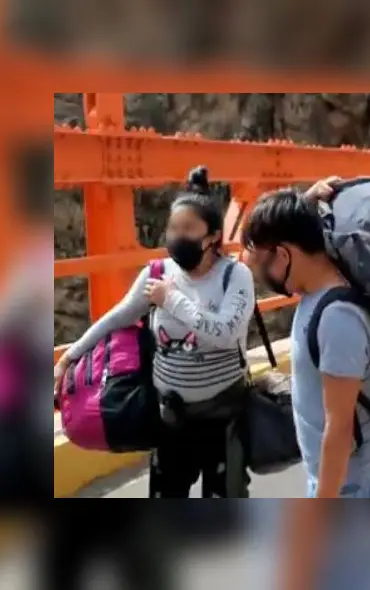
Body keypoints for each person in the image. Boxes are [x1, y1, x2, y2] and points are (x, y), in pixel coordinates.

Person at [54, 173, 257, 497]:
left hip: (224, 415)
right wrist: (70, 356)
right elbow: (118, 316)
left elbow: (225, 333)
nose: (178, 237)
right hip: (170, 416)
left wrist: (171, 300)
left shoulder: (235, 276)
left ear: (213, 235)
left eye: (188, 229)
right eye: (173, 229)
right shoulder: (157, 274)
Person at [241, 189, 370, 498]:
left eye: (263, 264)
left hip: (353, 487)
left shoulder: (337, 318)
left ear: (284, 255)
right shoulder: (315, 294)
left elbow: (338, 428)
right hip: (341, 481)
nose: (262, 277)